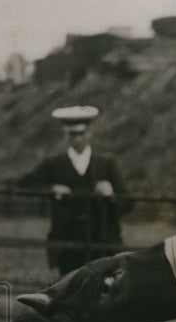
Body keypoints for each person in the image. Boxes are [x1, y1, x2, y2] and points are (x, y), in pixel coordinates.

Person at [18, 106, 128, 275]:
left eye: (81, 133)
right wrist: (51, 189)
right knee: (70, 292)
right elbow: (23, 185)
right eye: (72, 134)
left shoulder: (107, 164)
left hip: (103, 243)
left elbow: (128, 202)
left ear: (90, 132)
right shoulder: (54, 164)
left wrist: (111, 194)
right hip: (68, 246)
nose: (77, 139)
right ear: (65, 134)